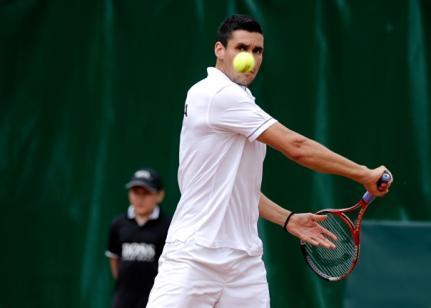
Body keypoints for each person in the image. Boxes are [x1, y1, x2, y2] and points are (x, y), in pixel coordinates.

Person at [147, 14, 393, 307]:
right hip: (194, 256)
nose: (249, 57)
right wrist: (364, 174)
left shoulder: (242, 101)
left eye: (257, 50)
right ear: (219, 50)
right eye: (241, 48)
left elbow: (239, 188)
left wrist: (286, 219)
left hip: (244, 263)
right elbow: (296, 146)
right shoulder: (215, 94)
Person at [105, 168, 171, 308]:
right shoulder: (118, 224)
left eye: (146, 193)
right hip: (123, 299)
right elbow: (114, 259)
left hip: (156, 299)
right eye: (135, 192)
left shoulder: (169, 226)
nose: (140, 198)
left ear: (159, 195)